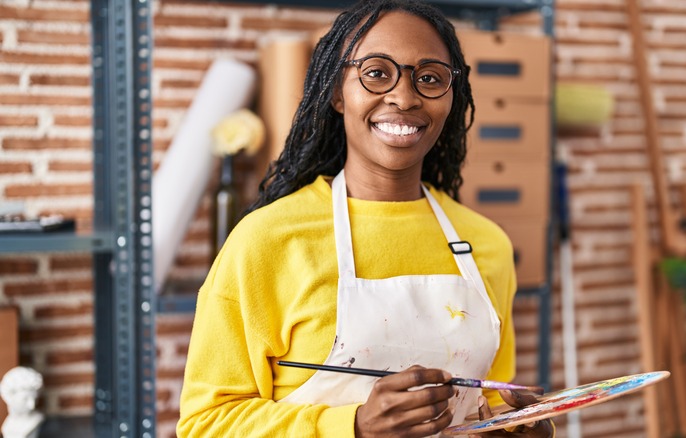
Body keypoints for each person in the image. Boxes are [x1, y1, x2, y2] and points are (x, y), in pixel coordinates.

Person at [177, 1, 554, 437]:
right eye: (376, 73)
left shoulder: (487, 243)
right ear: (338, 92)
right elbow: (204, 425)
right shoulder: (266, 242)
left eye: (430, 78)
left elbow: (486, 401)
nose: (405, 97)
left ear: (452, 97)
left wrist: (514, 429)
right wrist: (352, 426)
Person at [0, 366, 44, 438]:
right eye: (25, 399)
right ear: (10, 397)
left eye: (35, 399)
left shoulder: (37, 421)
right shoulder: (8, 425)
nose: (32, 406)